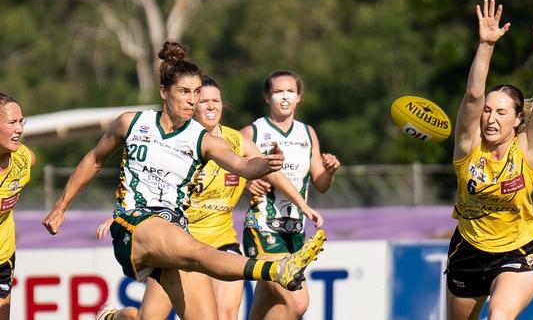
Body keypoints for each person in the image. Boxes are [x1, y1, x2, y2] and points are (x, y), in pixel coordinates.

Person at [42, 41, 326, 320]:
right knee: (199, 253)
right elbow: (94, 159)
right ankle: (275, 270)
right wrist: (60, 206)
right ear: (164, 91)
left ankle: (117, 318)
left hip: (175, 231)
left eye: (197, 92)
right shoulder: (131, 123)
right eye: (185, 92)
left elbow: (241, 165)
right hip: (136, 223)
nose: (192, 100)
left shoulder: (202, 139)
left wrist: (265, 164)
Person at [446, 0, 533, 320]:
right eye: (487, 111)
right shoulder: (469, 146)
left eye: (501, 112)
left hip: (517, 251)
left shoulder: (528, 150)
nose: (490, 119)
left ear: (517, 120)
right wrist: (485, 44)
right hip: (468, 249)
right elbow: (471, 96)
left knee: (499, 315)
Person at [241, 69, 340, 320]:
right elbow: (227, 172)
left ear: (299, 97)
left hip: (294, 231)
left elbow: (321, 184)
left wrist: (330, 170)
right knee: (296, 302)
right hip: (263, 227)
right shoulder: (252, 132)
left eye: (290, 92)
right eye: (277, 92)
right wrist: (245, 184)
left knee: (267, 306)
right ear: (267, 97)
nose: (284, 97)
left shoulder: (307, 134)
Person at [0, 93, 36, 320]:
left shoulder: (21, 157)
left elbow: (32, 158)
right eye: (12, 122)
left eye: (21, 121)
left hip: (3, 257)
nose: (20, 129)